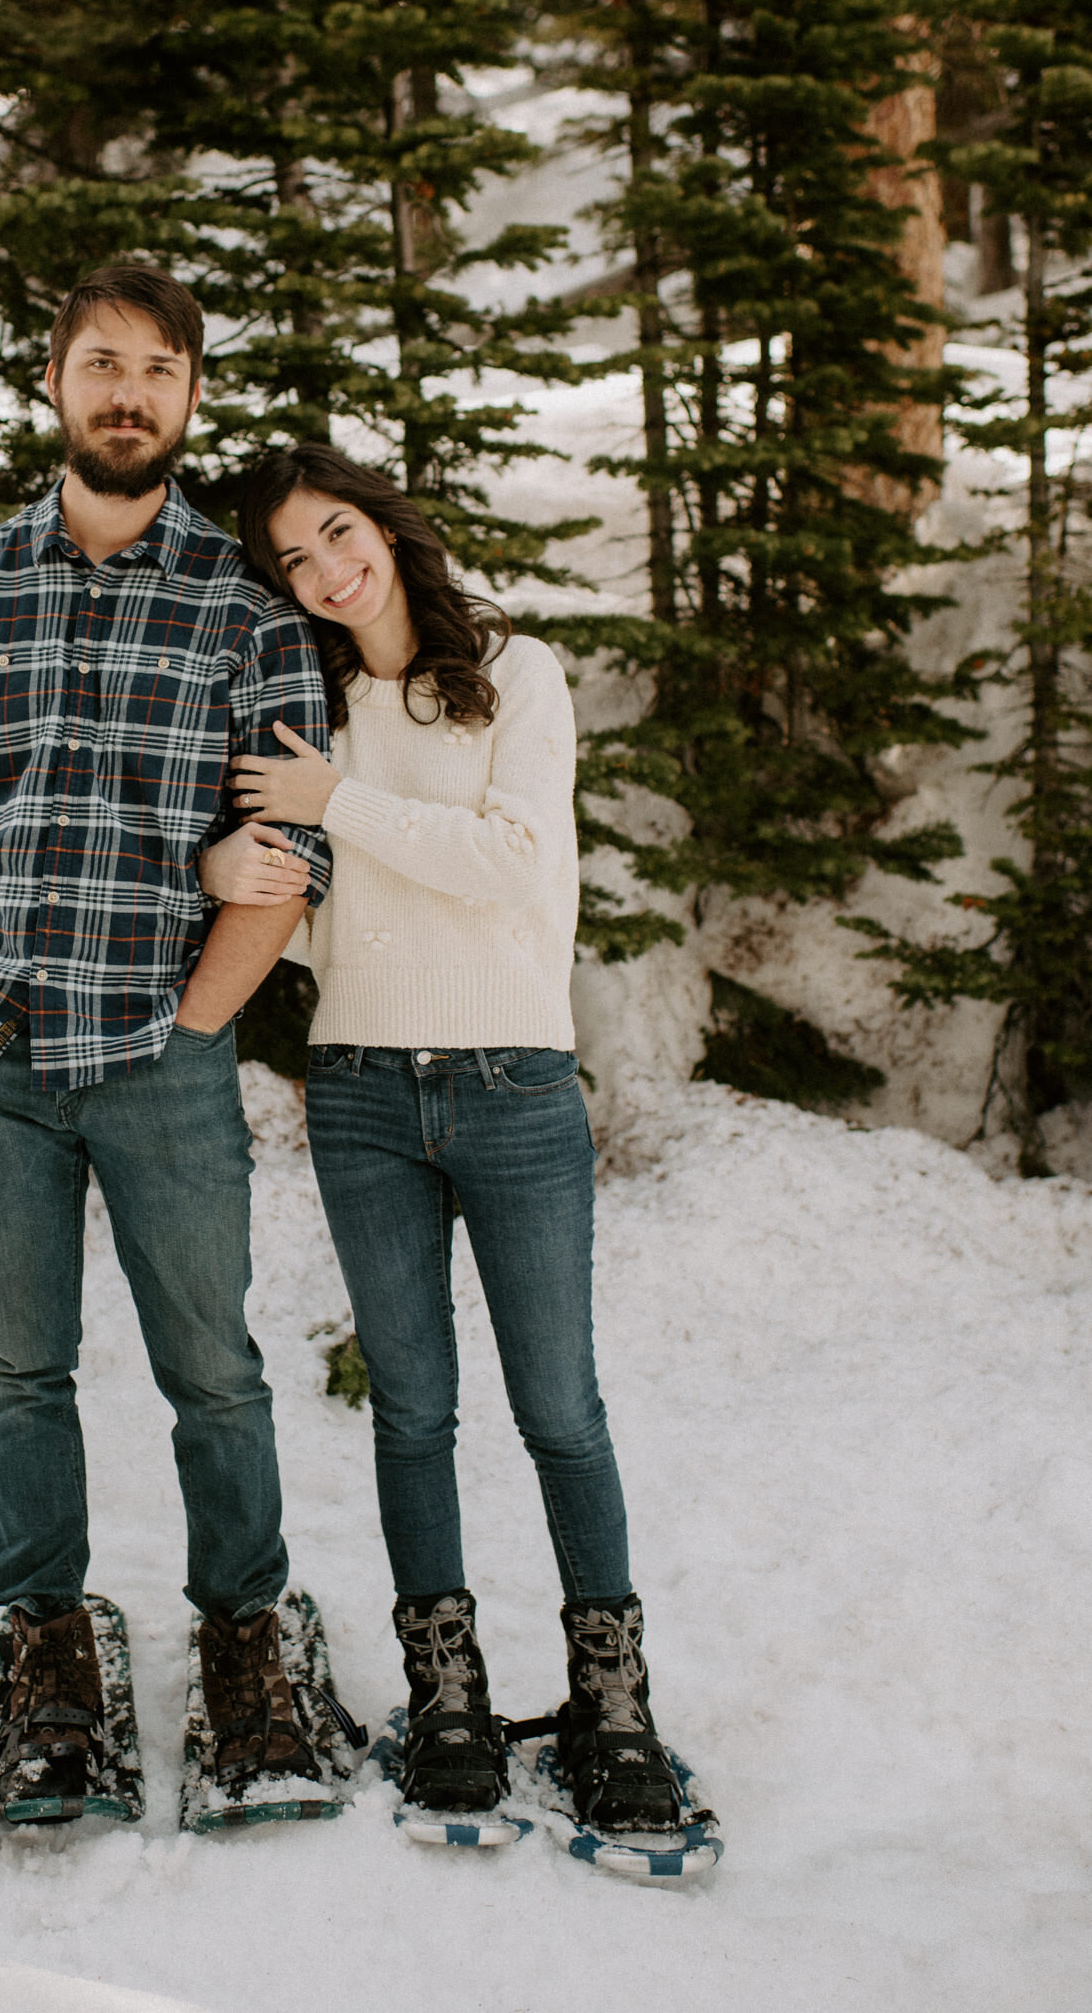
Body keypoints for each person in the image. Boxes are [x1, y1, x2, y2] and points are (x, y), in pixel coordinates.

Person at [0, 268, 333, 1819]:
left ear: (192, 398)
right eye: (100, 364)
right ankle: (48, 1641)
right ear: (53, 384)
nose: (127, 392)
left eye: (157, 370)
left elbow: (286, 866)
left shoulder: (250, 614)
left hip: (162, 1059)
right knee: (18, 1369)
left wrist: (193, 1031)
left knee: (214, 1369)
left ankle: (245, 1640)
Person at [197, 441, 685, 1833]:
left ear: (386, 524)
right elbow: (317, 907)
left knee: (560, 1410)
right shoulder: (313, 712)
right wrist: (237, 867)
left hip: (516, 1087)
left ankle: (614, 1700)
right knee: (412, 1410)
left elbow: (512, 861)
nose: (326, 570)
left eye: (337, 533)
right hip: (357, 1089)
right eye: (293, 560)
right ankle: (448, 1691)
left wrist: (338, 807)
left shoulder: (514, 674)